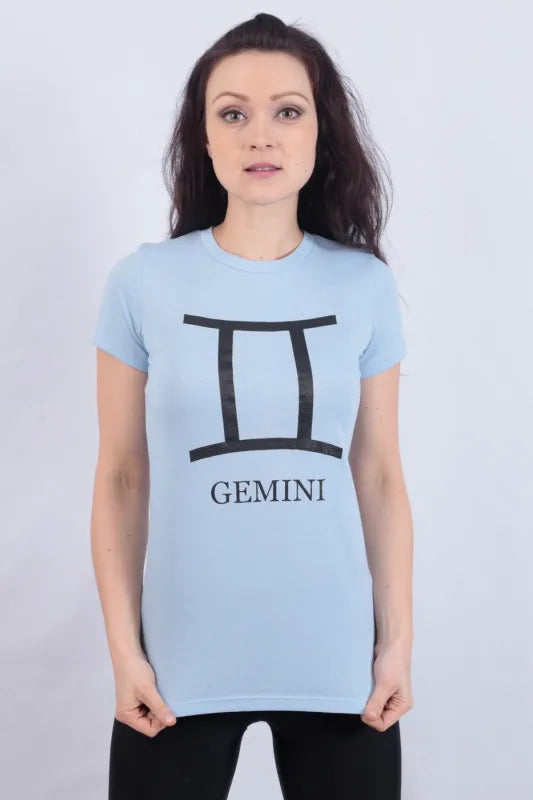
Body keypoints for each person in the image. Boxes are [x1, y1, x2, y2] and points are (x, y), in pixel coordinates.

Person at [90, 12, 414, 800]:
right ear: (202, 137)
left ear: (319, 132)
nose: (259, 135)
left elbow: (377, 475)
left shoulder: (362, 284)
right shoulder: (142, 282)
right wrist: (125, 653)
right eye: (232, 113)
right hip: (176, 670)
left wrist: (396, 643)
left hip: (339, 664)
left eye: (286, 111)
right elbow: (122, 476)